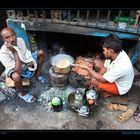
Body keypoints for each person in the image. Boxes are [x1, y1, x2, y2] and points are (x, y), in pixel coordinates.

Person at [0, 27, 46, 103]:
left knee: (41, 53)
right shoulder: (2, 53)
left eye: (12, 35)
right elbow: (17, 70)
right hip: (15, 68)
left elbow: (26, 54)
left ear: (15, 34)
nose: (11, 39)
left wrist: (29, 62)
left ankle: (37, 75)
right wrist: (15, 52)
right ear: (3, 40)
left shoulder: (20, 40)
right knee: (16, 76)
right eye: (7, 38)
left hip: (25, 62)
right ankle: (22, 93)